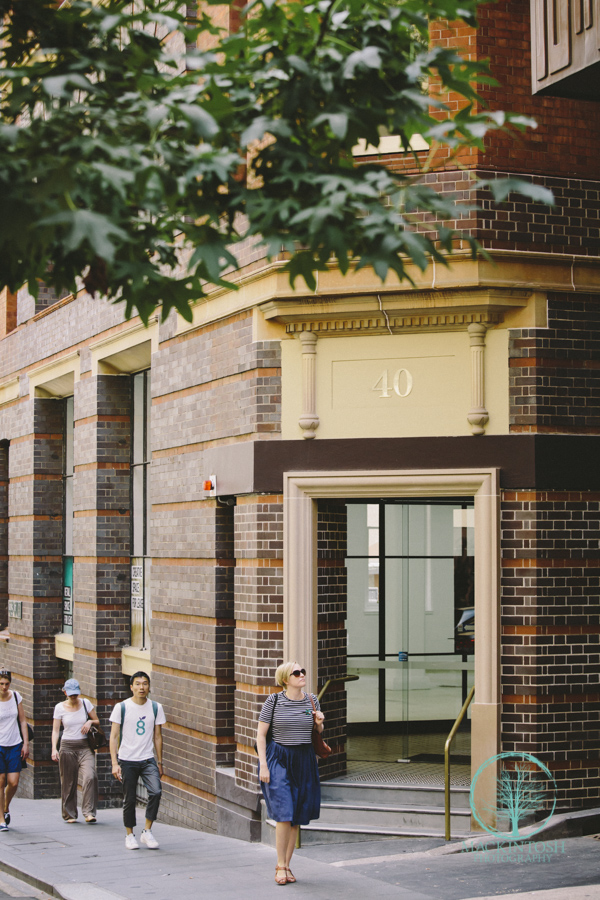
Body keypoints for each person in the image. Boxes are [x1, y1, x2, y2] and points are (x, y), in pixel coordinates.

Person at [256, 661, 325, 885]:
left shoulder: (312, 700)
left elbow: (317, 733)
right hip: (279, 758)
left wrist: (319, 724)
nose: (301, 674)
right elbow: (260, 735)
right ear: (286, 679)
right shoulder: (273, 701)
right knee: (284, 812)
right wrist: (264, 765)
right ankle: (280, 865)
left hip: (304, 759)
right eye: (296, 673)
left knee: (296, 816)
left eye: (303, 671)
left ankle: (287, 864)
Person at [109, 670, 166, 850]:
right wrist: (114, 763)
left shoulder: (156, 707)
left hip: (148, 759)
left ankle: (147, 831)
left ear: (149, 687)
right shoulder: (122, 707)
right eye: (138, 684)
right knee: (130, 798)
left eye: (145, 684)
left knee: (156, 792)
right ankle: (129, 834)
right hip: (127, 759)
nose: (142, 687)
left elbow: (158, 737)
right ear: (131, 687)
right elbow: (113, 736)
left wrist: (160, 761)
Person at [51, 678, 100, 823]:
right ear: (65, 692)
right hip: (67, 747)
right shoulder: (59, 707)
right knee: (68, 782)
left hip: (85, 746)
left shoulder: (86, 703)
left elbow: (97, 721)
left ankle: (89, 812)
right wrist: (54, 748)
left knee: (90, 776)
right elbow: (55, 730)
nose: (73, 697)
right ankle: (69, 814)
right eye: (71, 694)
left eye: (75, 694)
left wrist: (90, 721)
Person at [0, 670, 29, 832]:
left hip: (14, 743)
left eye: (6, 684)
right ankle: (1, 819)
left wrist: (26, 744)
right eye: (1, 684)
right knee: (1, 781)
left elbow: (23, 721)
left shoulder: (16, 697)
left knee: (13, 782)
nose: (4, 687)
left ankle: (5, 806)